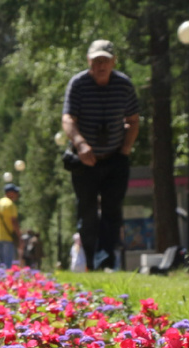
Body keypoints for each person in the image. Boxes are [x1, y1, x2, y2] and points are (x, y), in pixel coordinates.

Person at [61, 39, 141, 271]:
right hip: (85, 162)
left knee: (112, 211)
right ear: (89, 62)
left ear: (113, 62)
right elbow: (68, 119)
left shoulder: (124, 85)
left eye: (105, 60)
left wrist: (125, 149)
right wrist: (80, 144)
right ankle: (90, 261)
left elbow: (133, 120)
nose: (101, 66)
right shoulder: (78, 84)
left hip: (115, 159)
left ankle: (105, 261)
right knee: (86, 213)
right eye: (96, 61)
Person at [0, 184, 21, 266]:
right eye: (15, 192)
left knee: (1, 263)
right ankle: (7, 278)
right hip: (8, 237)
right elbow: (14, 221)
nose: (17, 194)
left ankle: (0, 278)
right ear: (10, 193)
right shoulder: (10, 204)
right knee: (8, 262)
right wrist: (19, 236)